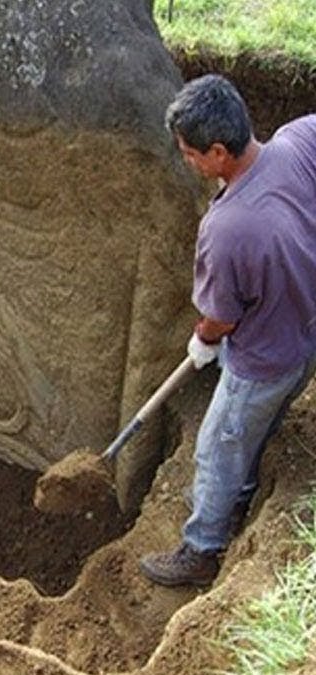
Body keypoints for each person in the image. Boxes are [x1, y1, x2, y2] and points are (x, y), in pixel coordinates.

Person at [139, 75, 316, 587]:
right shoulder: (300, 139)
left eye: (191, 154)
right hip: (305, 337)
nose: (188, 163)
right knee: (260, 423)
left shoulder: (226, 230)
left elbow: (223, 318)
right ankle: (243, 490)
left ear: (218, 151)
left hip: (262, 358)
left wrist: (205, 339)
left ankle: (202, 548)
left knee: (218, 445)